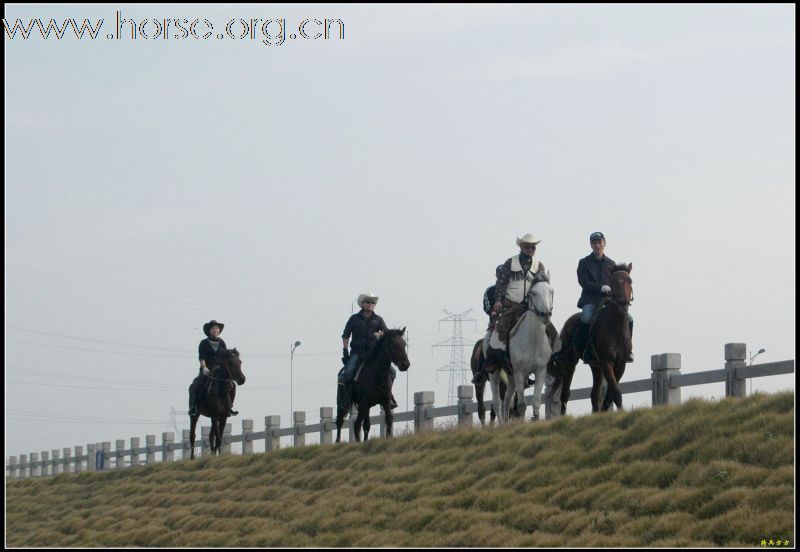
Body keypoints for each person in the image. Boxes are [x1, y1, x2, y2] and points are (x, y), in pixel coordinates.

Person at [480, 233, 558, 382]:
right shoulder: (510, 263)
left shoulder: (539, 265)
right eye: (527, 246)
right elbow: (501, 283)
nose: (530, 249)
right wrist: (498, 300)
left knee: (551, 331)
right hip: (511, 305)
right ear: (521, 247)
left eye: (532, 247)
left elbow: (542, 286)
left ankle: (554, 360)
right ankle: (492, 362)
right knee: (499, 330)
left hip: (531, 307)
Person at [574, 231, 634, 363]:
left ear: (604, 243)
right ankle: (586, 350)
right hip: (590, 300)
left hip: (607, 301)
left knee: (629, 318)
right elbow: (583, 282)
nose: (597, 245)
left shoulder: (611, 264)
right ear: (591, 245)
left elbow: (617, 284)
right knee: (586, 318)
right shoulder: (584, 263)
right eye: (594, 243)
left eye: (599, 242)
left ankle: (628, 350)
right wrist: (600, 288)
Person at [340, 292, 397, 409]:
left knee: (392, 372)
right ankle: (348, 399)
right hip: (357, 352)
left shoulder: (379, 319)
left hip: (373, 353)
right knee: (347, 374)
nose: (370, 304)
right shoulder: (354, 319)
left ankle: (388, 396)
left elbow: (387, 333)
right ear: (363, 304)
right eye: (368, 302)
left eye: (372, 302)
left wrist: (379, 334)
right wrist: (345, 351)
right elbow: (346, 336)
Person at [188, 320, 237, 417]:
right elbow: (201, 357)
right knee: (198, 384)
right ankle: (194, 407)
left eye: (217, 328)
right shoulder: (203, 343)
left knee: (232, 385)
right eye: (213, 328)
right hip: (207, 370)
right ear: (209, 330)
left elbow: (225, 357)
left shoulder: (222, 342)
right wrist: (204, 367)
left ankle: (230, 406)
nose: (215, 330)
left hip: (219, 371)